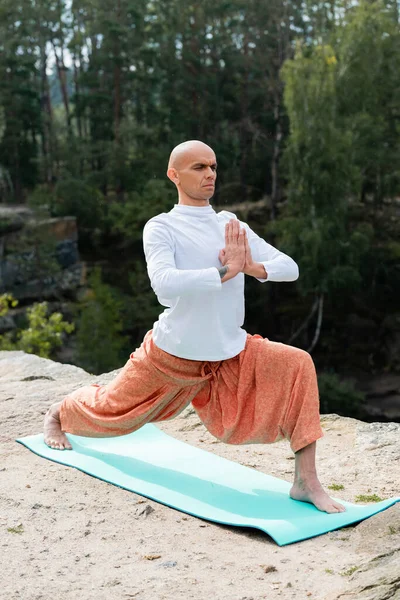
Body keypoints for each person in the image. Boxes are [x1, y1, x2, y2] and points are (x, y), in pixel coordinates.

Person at [44, 140, 345, 514]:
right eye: (199, 167)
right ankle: (58, 412)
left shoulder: (231, 226)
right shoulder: (161, 227)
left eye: (213, 167)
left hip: (228, 353)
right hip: (173, 354)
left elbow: (290, 267)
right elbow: (164, 287)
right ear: (174, 175)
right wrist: (224, 272)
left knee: (298, 363)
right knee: (111, 414)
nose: (210, 175)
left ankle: (306, 481)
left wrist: (248, 265)